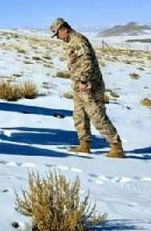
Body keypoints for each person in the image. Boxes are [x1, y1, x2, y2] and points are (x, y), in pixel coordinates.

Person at [50, 17, 125, 158]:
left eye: (58, 34)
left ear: (64, 30)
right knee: (80, 116)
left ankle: (116, 146)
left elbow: (87, 62)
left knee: (97, 115)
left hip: (89, 86)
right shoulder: (72, 41)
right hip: (79, 86)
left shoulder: (78, 41)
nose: (58, 38)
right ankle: (84, 144)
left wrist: (83, 81)